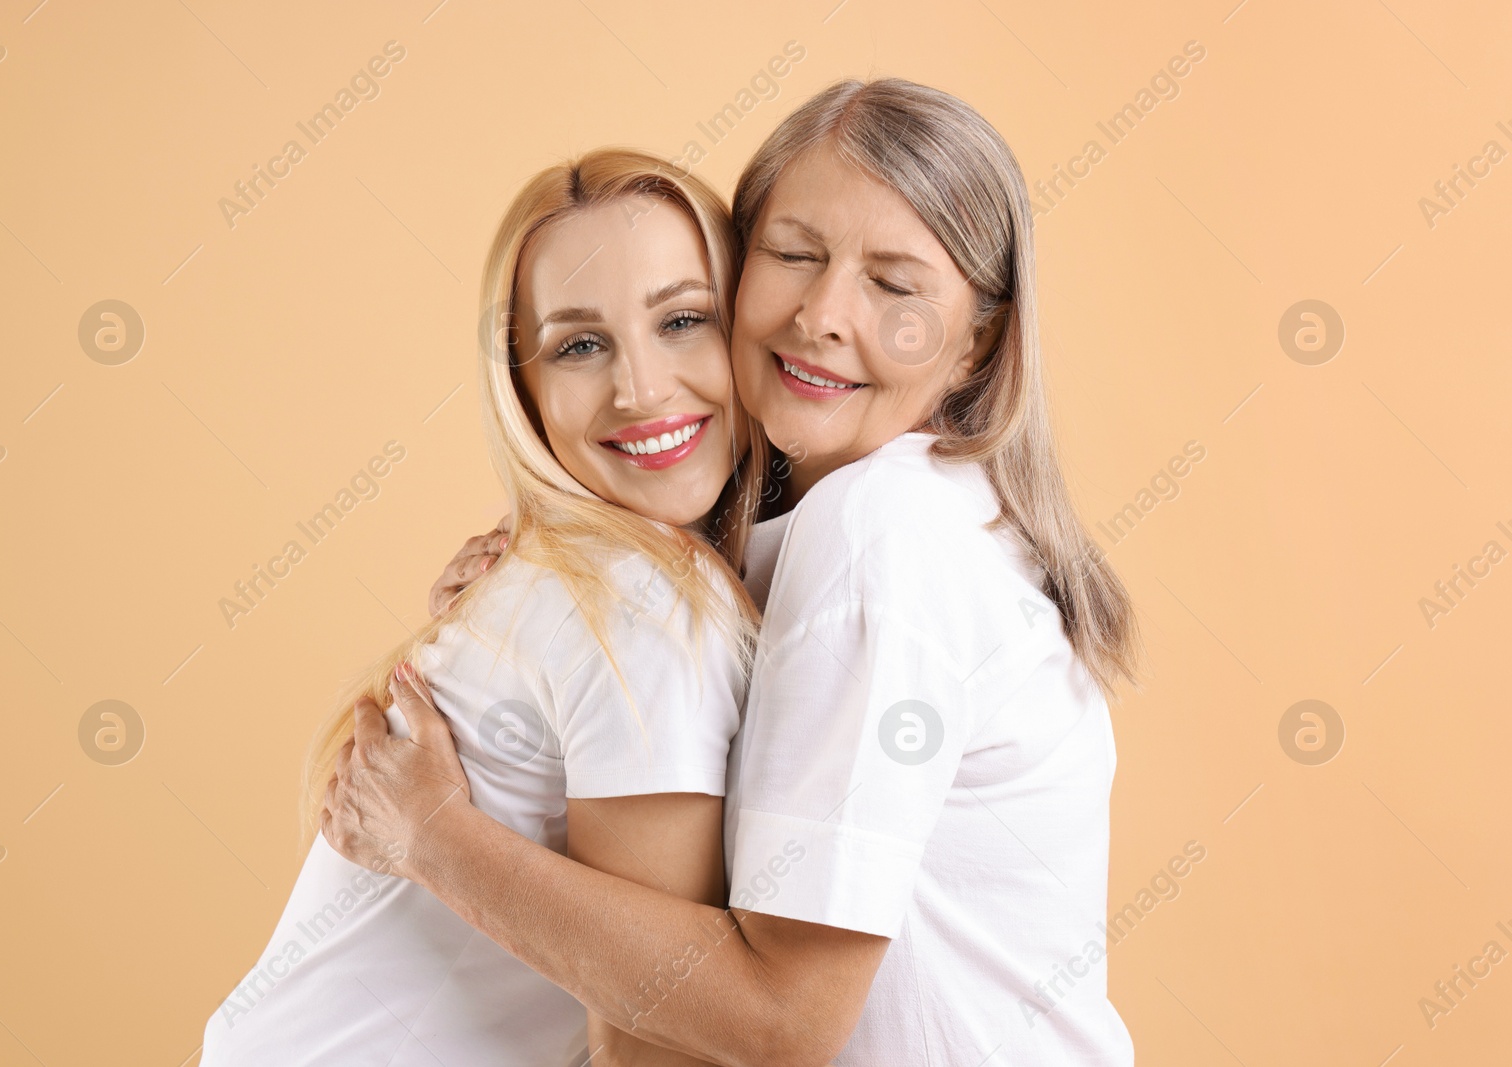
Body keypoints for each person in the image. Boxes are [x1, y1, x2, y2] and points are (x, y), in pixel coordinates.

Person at [324, 78, 1142, 1066]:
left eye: (894, 284)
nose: (821, 315)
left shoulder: (881, 529)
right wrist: (544, 623)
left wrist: (435, 835)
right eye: (794, 255)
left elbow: (782, 1020)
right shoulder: (887, 519)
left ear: (976, 340)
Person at [200, 147, 768, 1066]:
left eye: (684, 320)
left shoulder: (596, 575)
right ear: (526, 389)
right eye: (580, 344)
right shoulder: (648, 601)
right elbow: (653, 1040)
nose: (642, 389)